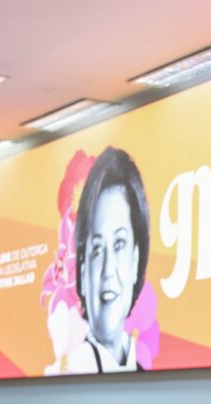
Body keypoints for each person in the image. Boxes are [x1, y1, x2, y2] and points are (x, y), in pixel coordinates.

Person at [66, 147, 151, 373]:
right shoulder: (70, 369)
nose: (108, 269)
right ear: (83, 272)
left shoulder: (140, 369)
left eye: (119, 244)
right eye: (97, 249)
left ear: (136, 259)